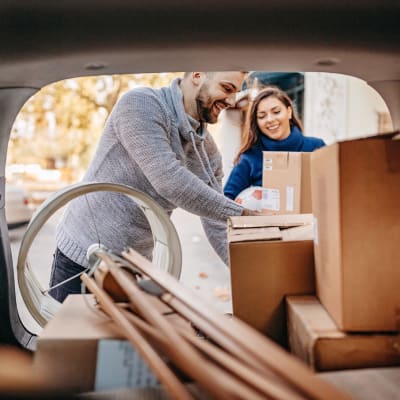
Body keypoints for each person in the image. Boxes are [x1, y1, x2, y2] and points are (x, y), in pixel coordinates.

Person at [49, 71, 260, 303]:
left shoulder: (207, 152)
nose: (231, 101)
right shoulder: (141, 105)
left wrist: (254, 277)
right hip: (82, 255)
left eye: (236, 93)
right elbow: (170, 181)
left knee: (118, 340)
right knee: (70, 337)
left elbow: (217, 224)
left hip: (132, 266)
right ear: (198, 75)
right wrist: (244, 214)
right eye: (227, 88)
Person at [224, 86, 325, 200]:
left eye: (276, 112)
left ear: (289, 112)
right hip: (267, 218)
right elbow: (226, 199)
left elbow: (332, 187)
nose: (270, 119)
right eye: (262, 116)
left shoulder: (316, 147)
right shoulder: (250, 158)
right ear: (257, 122)